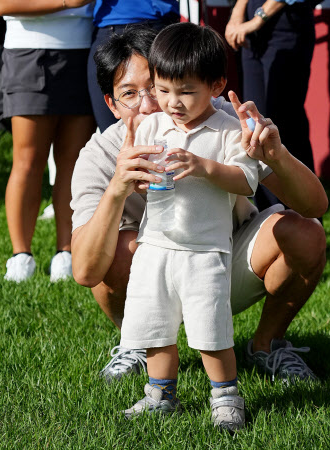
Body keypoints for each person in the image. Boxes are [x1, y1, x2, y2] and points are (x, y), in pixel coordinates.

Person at [70, 26, 327, 388]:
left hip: (220, 262)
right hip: (148, 279)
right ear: (111, 104)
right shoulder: (100, 154)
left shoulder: (219, 119)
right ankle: (139, 343)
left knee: (306, 234)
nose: (150, 105)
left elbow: (315, 205)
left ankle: (267, 345)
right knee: (110, 244)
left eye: (156, 86)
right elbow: (84, 270)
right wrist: (117, 188)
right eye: (130, 94)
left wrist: (276, 155)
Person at [118, 22, 260, 429]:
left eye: (185, 91)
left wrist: (202, 166)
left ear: (216, 86)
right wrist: (139, 178)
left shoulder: (229, 130)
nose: (172, 102)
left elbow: (246, 179)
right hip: (156, 245)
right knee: (155, 324)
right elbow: (139, 177)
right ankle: (160, 394)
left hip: (204, 248)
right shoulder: (151, 125)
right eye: (163, 90)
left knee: (211, 329)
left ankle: (225, 395)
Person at [0, 0, 96, 282]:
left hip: (84, 49)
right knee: (27, 161)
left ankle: (66, 252)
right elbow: (2, 4)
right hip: (27, 51)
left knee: (73, 161)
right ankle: (20, 255)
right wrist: (68, 2)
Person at [225, 0, 316, 211]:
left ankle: (306, 219)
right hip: (251, 33)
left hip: (286, 25)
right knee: (256, 126)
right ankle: (269, 216)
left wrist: (258, 19)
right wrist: (238, 14)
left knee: (285, 127)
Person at [87, 0, 179, 133]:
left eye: (155, 87)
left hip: (162, 25)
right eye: (129, 93)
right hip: (111, 28)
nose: (147, 106)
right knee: (114, 136)